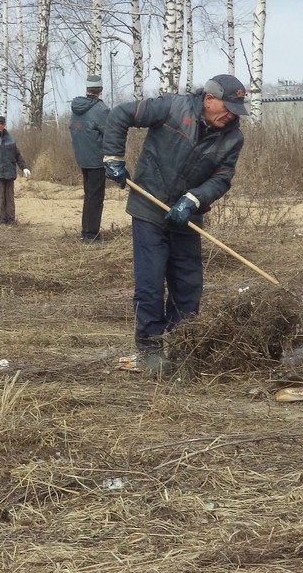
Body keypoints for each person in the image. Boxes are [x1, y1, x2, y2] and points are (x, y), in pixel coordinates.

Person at [102, 74, 248, 375]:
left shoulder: (233, 137)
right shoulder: (172, 107)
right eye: (227, 106)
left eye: (236, 109)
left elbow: (222, 178)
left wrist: (194, 199)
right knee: (151, 282)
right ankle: (150, 347)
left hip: (187, 216)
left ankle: (183, 343)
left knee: (188, 285)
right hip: (149, 207)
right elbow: (121, 114)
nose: (231, 114)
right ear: (209, 99)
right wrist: (113, 157)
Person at [69, 73, 109, 243]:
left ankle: (86, 232)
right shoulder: (100, 109)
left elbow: (74, 129)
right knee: (95, 197)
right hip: (96, 160)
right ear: (100, 89)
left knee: (89, 195)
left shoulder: (76, 109)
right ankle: (91, 235)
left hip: (82, 158)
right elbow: (111, 134)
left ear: (87, 89)